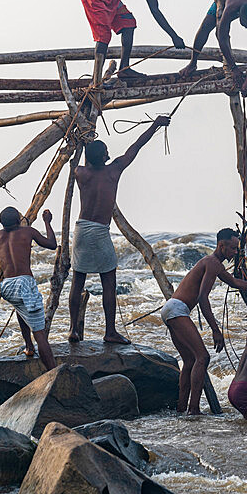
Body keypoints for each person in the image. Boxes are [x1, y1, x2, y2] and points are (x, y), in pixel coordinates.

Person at [68, 116, 170, 344]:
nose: (108, 154)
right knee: (109, 281)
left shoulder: (80, 173)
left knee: (78, 280)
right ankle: (110, 331)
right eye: (105, 151)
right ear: (104, 157)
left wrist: (86, 144)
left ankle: (74, 329)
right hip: (100, 231)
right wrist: (155, 125)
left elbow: (86, 155)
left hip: (82, 229)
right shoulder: (113, 171)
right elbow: (136, 147)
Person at [159, 228, 247, 415]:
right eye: (232, 248)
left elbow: (236, 283)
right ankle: (194, 410)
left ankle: (182, 409)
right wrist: (216, 330)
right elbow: (202, 298)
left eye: (236, 249)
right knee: (202, 357)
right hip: (177, 309)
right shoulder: (212, 262)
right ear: (221, 246)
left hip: (172, 308)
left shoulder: (214, 264)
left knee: (189, 361)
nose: (235, 252)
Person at [179, 0, 247, 96]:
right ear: (238, 15)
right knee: (206, 25)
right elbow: (221, 37)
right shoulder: (230, 9)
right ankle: (192, 63)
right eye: (246, 24)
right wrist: (234, 68)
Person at [0, 206, 57, 371]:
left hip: (7, 287)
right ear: (18, 221)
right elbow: (52, 244)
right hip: (23, 283)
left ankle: (28, 347)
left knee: (20, 307)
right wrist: (47, 222)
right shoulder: (28, 232)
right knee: (40, 333)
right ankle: (54, 372)